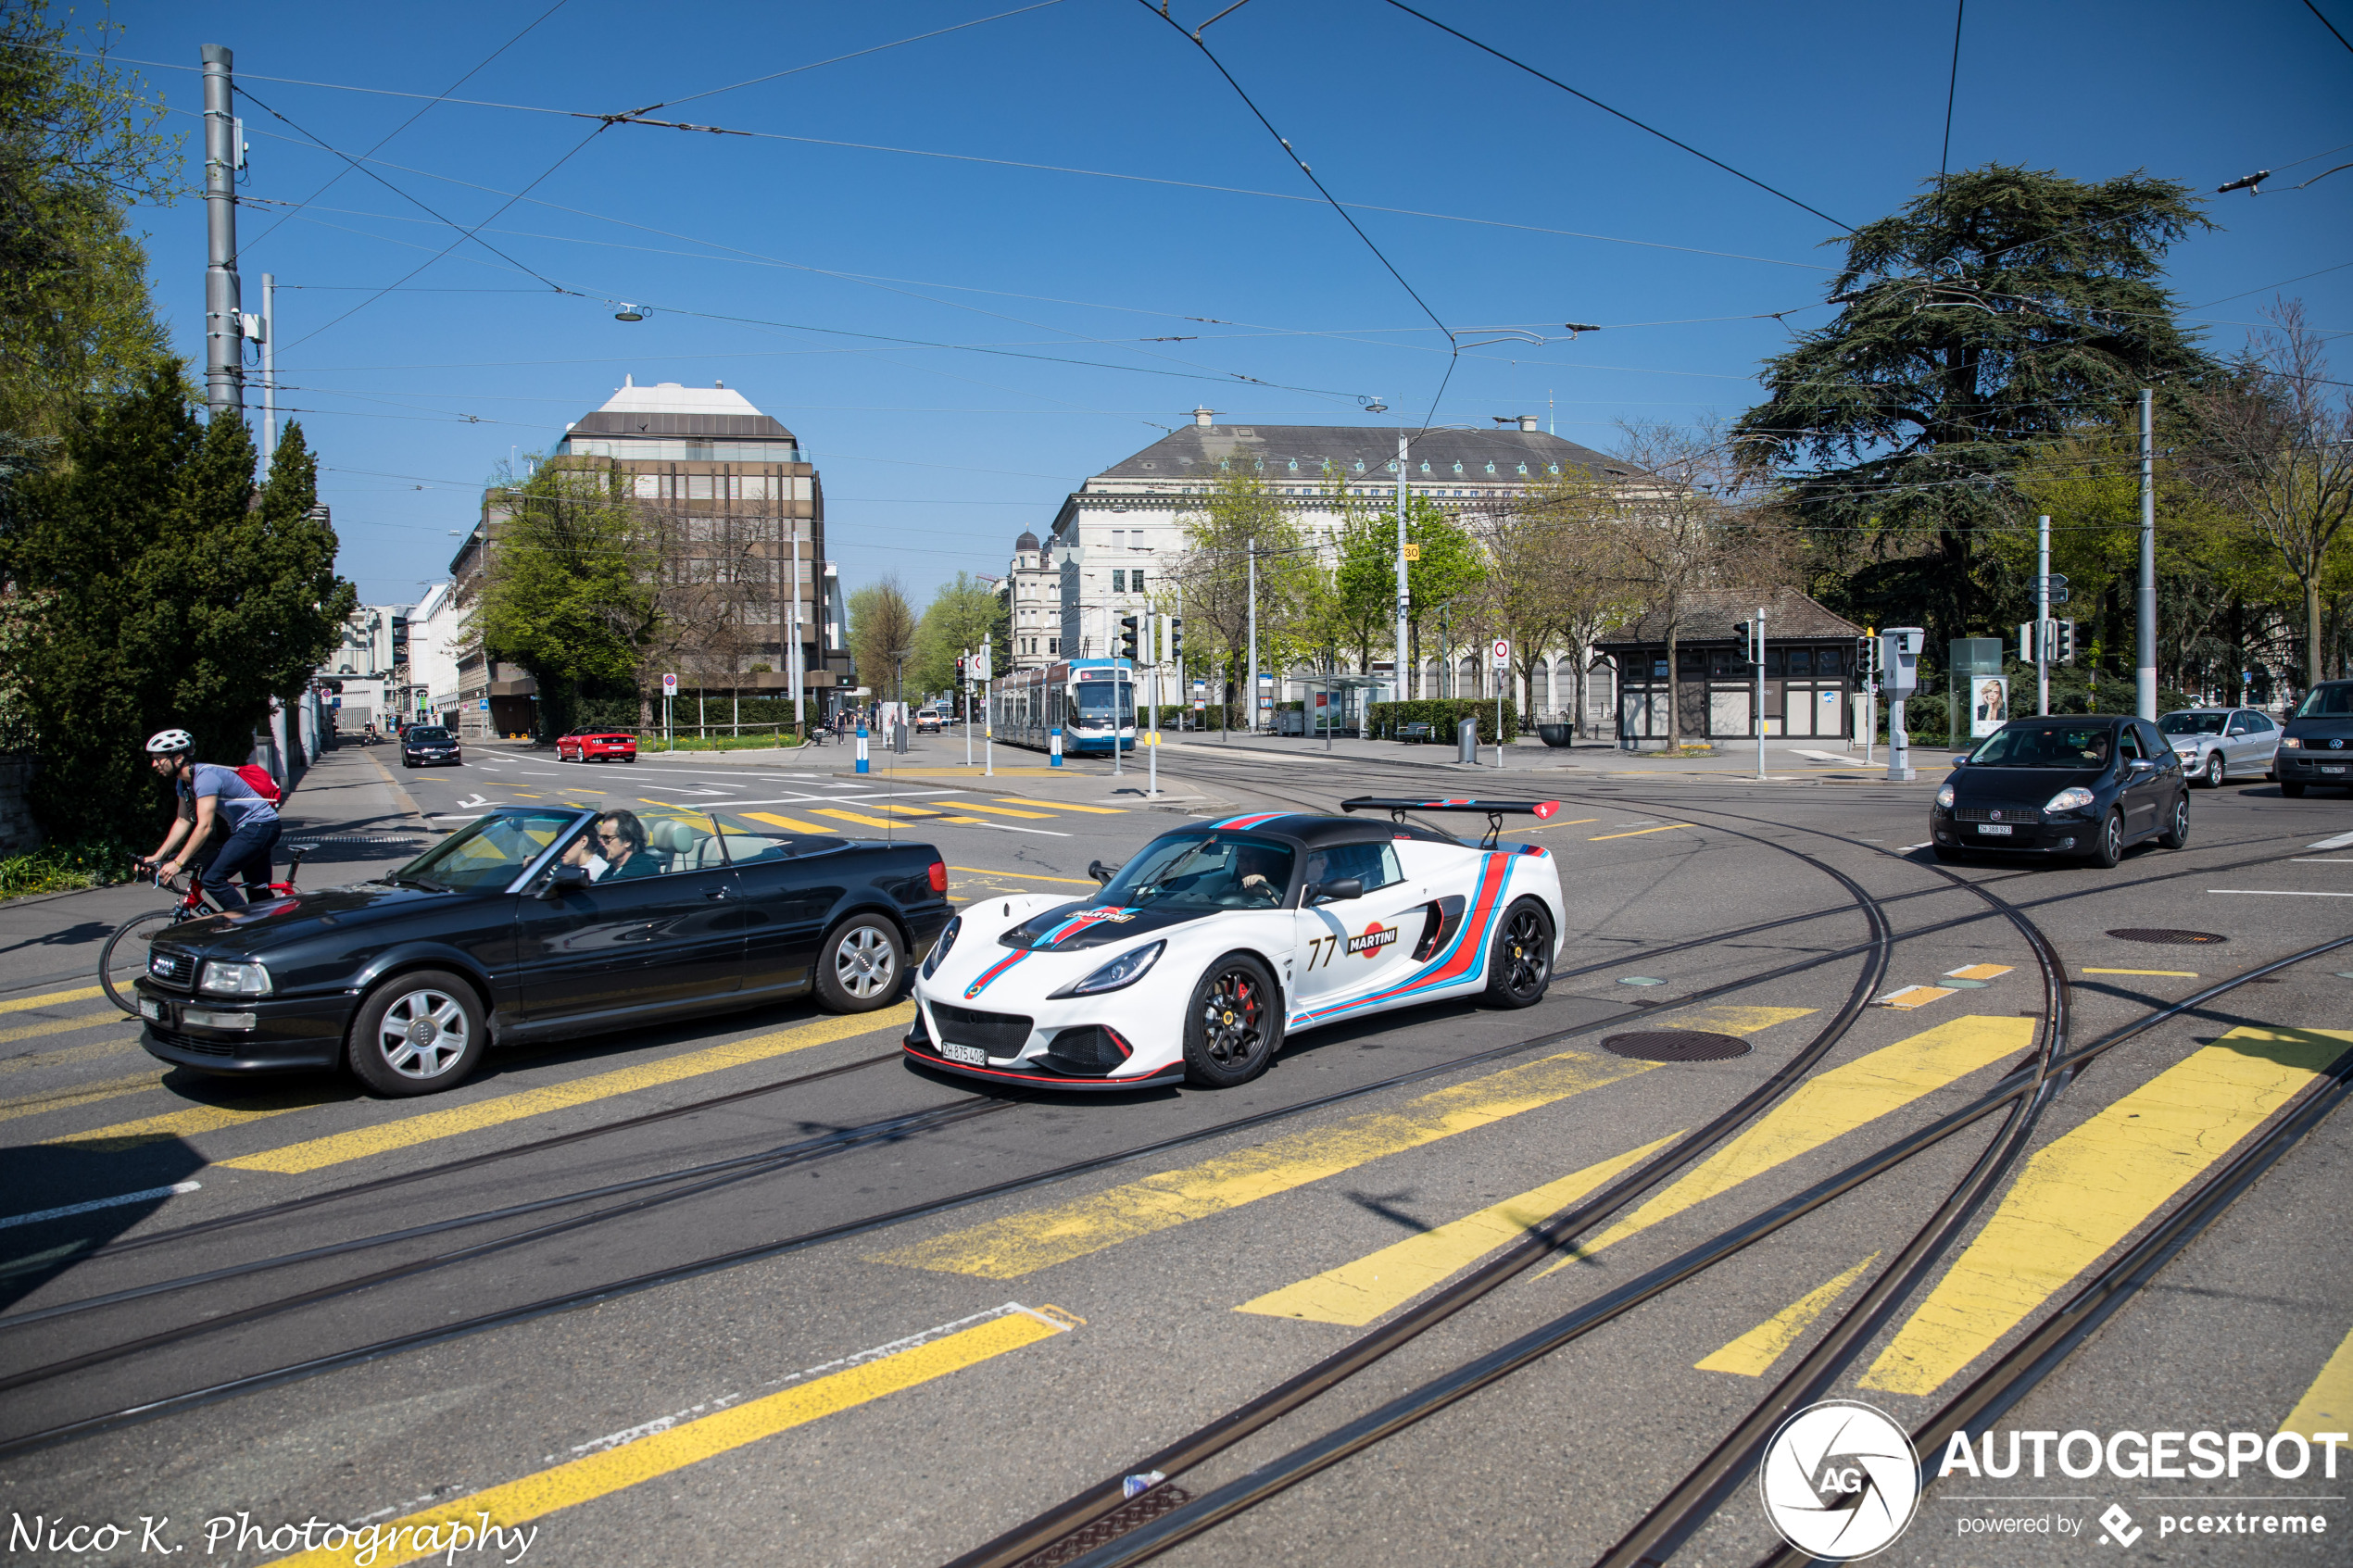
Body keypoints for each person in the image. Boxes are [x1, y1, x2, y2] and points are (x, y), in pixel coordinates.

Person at [140, 729, 282, 909]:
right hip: (251, 829)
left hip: (260, 827)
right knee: (258, 894)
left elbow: (205, 826)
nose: (154, 764)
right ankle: (265, 930)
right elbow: (183, 820)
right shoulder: (183, 782)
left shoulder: (205, 778)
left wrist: (178, 863)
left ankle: (246, 927)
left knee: (212, 878)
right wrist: (156, 856)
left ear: (178, 758)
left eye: (159, 758)